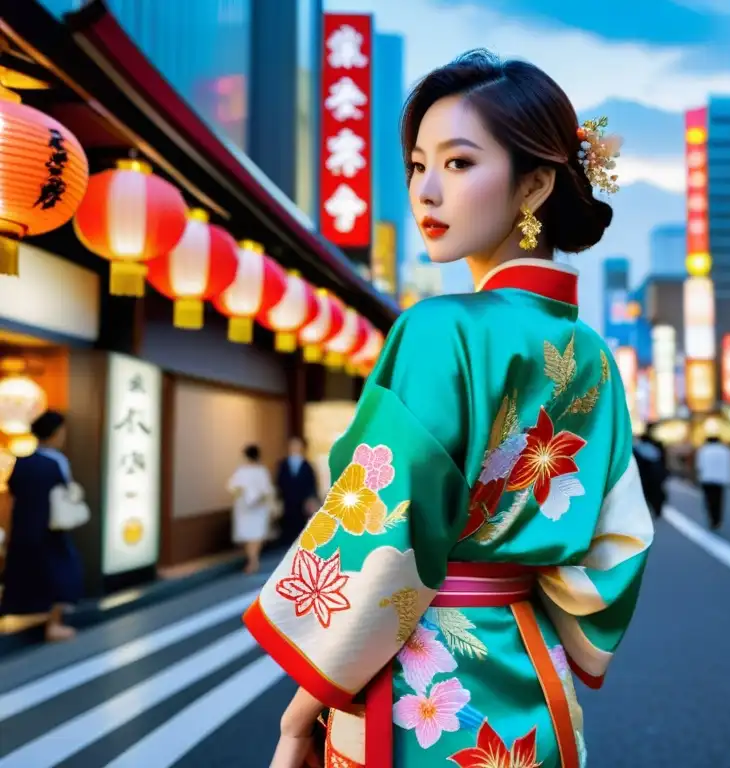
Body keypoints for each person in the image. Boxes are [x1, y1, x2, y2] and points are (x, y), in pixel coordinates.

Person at [246, 50, 652, 768]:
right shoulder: (589, 351)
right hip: (534, 680)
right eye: (416, 164)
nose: (426, 192)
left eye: (459, 164)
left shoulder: (440, 329)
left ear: (534, 183)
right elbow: (619, 541)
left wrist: (299, 711)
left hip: (420, 688)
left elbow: (385, 535)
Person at [0, 411, 83, 642]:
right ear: (56, 434)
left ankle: (25, 619)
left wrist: (7, 533)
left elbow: (10, 499)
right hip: (50, 529)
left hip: (24, 529)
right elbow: (66, 493)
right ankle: (53, 624)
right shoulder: (57, 462)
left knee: (24, 575)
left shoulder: (21, 462)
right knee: (62, 575)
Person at [228, 444, 276, 575]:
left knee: (249, 534)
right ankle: (254, 560)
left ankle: (252, 561)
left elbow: (233, 488)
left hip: (245, 507)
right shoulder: (262, 471)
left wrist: (243, 495)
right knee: (255, 534)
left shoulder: (240, 471)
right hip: (259, 506)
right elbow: (268, 490)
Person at [275, 436, 320, 547]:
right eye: (292, 444)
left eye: (297, 444)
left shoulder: (308, 466)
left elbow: (312, 485)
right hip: (287, 502)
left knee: (301, 531)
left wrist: (311, 499)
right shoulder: (282, 464)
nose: (294, 447)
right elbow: (278, 482)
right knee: (287, 531)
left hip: (303, 504)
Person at [695, 434, 730, 529]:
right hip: (720, 478)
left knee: (709, 500)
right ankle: (718, 520)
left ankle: (711, 519)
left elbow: (699, 465)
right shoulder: (725, 450)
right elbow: (729, 463)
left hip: (707, 478)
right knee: (719, 500)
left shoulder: (703, 450)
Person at [634, 424, 668, 517]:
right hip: (655, 475)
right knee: (656, 493)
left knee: (647, 494)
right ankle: (657, 509)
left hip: (645, 476)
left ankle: (651, 510)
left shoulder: (637, 449)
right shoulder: (657, 446)